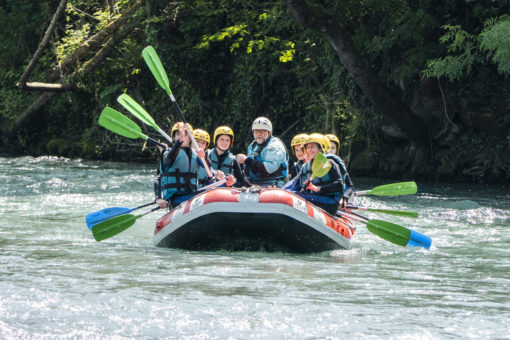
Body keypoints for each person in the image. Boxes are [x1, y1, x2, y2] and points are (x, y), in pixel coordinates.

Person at [288, 133, 345, 215]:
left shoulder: (329, 162)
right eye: (307, 147)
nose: (309, 150)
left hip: (330, 201)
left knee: (296, 197)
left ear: (321, 148)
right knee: (294, 194)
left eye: (312, 147)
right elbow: (294, 183)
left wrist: (318, 188)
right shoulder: (307, 165)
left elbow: (339, 185)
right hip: (317, 198)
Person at [154, 122, 208, 209]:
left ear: (190, 138)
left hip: (191, 195)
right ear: (174, 138)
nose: (182, 136)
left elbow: (208, 168)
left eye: (185, 135)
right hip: (176, 199)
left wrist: (204, 157)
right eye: (178, 134)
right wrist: (158, 198)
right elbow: (159, 177)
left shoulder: (195, 154)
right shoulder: (167, 154)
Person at [236, 117, 289, 187]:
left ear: (269, 132)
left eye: (262, 131)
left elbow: (266, 170)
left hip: (273, 184)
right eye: (256, 131)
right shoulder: (253, 145)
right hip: (255, 182)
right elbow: (249, 167)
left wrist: (246, 160)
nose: (259, 134)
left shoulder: (275, 146)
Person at [324, 133, 354, 198]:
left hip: (335, 198)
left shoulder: (340, 165)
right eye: (327, 147)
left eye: (333, 148)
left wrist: (345, 196)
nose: (329, 151)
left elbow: (350, 186)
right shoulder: (314, 163)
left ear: (336, 151)